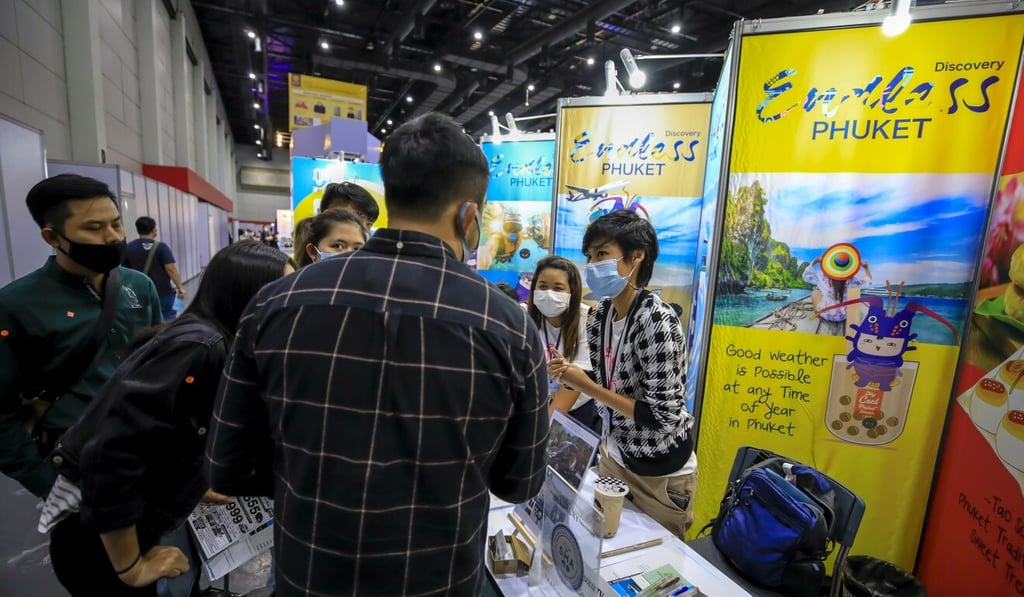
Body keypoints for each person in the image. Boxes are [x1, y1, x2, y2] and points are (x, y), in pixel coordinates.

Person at [207, 112, 549, 596]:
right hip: (437, 580)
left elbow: (228, 466)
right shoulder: (508, 325)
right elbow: (520, 482)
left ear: (391, 194)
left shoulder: (277, 303)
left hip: (310, 575)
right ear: (468, 216)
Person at [38, 241, 293, 597]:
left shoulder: (211, 339)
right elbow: (111, 456)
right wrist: (131, 566)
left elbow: (168, 431)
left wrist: (194, 481)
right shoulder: (200, 349)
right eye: (282, 293)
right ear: (246, 295)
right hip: (102, 541)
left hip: (122, 524)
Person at [0, 174, 162, 499]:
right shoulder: (17, 305)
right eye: (93, 228)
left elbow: (160, 365)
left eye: (116, 224)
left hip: (147, 449)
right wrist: (44, 481)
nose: (112, 237)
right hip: (76, 462)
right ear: (52, 237)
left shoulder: (138, 286)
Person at [548, 209, 697, 538]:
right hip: (613, 455)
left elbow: (662, 416)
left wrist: (586, 386)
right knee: (603, 547)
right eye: (589, 256)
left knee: (654, 566)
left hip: (658, 472)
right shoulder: (600, 314)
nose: (592, 265)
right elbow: (608, 377)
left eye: (602, 254)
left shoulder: (656, 321)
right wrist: (571, 373)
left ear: (636, 257)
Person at [526, 255, 598, 430]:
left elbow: (575, 385)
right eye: (542, 286)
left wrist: (542, 430)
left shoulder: (588, 319)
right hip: (536, 406)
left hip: (578, 407)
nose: (549, 294)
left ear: (572, 292)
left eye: (558, 288)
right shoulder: (523, 317)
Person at [124, 217, 186, 321]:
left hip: (139, 292)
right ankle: (166, 336)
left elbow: (125, 272)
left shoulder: (129, 247)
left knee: (143, 320)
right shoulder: (161, 247)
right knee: (167, 317)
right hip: (163, 292)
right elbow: (171, 269)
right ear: (154, 230)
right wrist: (180, 287)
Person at [803, 251, 872, 323]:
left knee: (815, 292)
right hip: (843, 316)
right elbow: (868, 282)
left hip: (825, 314)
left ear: (832, 266)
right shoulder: (852, 281)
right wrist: (866, 268)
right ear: (848, 267)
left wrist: (815, 261)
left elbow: (806, 276)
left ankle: (818, 315)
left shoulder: (823, 278)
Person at [294, 209, 369, 268]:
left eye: (357, 249)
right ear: (313, 251)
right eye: (338, 246)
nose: (349, 255)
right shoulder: (297, 285)